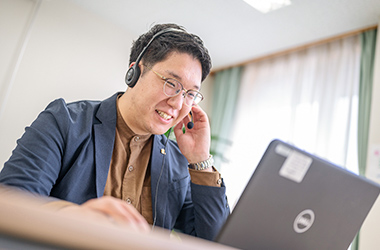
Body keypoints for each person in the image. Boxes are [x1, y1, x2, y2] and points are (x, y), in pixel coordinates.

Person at [0, 23, 229, 240]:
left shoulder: (177, 161)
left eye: (190, 93)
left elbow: (215, 240)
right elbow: (10, 202)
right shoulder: (64, 122)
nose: (178, 103)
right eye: (171, 83)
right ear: (134, 73)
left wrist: (201, 161)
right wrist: (73, 217)